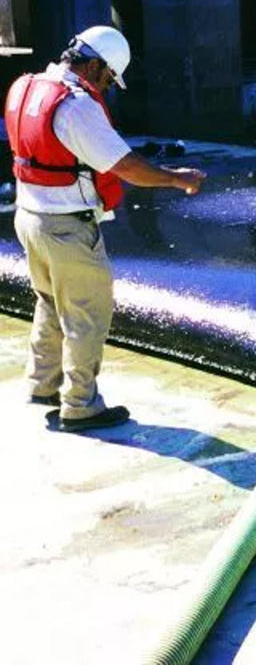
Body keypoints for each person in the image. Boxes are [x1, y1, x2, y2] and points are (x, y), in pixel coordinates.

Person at [4, 25, 206, 433]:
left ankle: (42, 384)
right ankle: (80, 405)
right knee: (86, 314)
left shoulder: (27, 86)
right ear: (94, 65)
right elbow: (126, 167)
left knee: (49, 301)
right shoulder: (76, 105)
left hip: (28, 216)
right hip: (66, 227)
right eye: (109, 77)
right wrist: (175, 177)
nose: (109, 87)